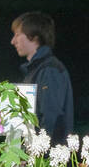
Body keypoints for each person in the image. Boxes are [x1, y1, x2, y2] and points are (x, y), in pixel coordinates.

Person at [11, 10, 73, 143]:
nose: (13, 41)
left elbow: (51, 118)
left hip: (45, 158)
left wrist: (40, 152)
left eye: (17, 35)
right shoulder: (36, 70)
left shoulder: (50, 70)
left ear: (34, 37)